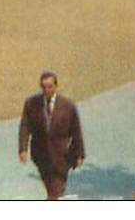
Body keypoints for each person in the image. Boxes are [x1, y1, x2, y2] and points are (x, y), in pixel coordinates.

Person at [19, 70, 86, 200]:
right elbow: (25, 126)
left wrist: (80, 153)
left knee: (55, 190)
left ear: (56, 86)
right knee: (51, 188)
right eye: (43, 87)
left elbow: (76, 130)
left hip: (62, 156)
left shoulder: (68, 106)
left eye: (49, 86)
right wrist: (23, 148)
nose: (46, 90)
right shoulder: (31, 104)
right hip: (41, 155)